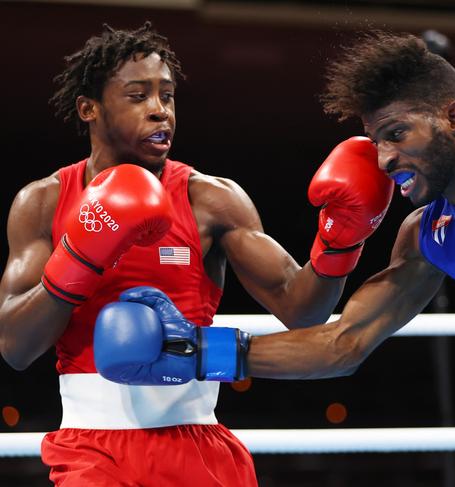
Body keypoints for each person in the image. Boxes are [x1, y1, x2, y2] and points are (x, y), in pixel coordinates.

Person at [93, 31, 455, 486]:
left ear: (453, 118)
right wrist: (194, 351)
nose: (383, 158)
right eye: (374, 141)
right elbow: (345, 342)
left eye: (396, 134)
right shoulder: (427, 236)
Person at [0, 23, 394, 486]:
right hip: (91, 451)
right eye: (137, 96)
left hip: (197, 446)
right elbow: (16, 348)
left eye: (166, 96)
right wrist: (81, 257)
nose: (159, 111)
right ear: (89, 108)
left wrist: (341, 239)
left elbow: (302, 309)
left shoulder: (210, 199)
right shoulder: (44, 203)